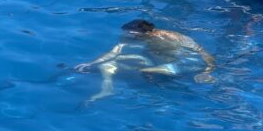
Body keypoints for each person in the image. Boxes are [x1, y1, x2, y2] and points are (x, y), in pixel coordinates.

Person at [75, 19, 215, 103]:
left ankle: (161, 87)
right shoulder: (134, 38)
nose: (128, 36)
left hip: (183, 63)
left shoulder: (172, 37)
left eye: (132, 33)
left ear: (148, 32)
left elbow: (202, 52)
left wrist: (208, 71)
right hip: (156, 60)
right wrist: (91, 63)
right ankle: (107, 90)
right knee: (107, 64)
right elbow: (114, 52)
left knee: (143, 71)